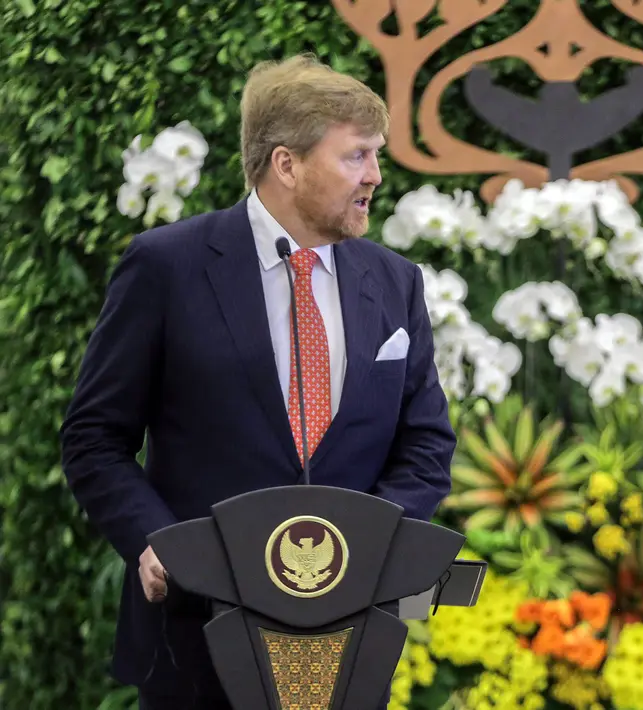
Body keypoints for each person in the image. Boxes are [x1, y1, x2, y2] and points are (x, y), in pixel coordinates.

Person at [59, 54, 455, 709]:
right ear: (286, 164)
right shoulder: (165, 267)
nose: (375, 177)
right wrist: (154, 542)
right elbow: (94, 437)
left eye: (375, 156)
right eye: (356, 157)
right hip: (194, 639)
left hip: (348, 644)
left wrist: (373, 548)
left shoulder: (394, 281)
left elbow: (426, 442)